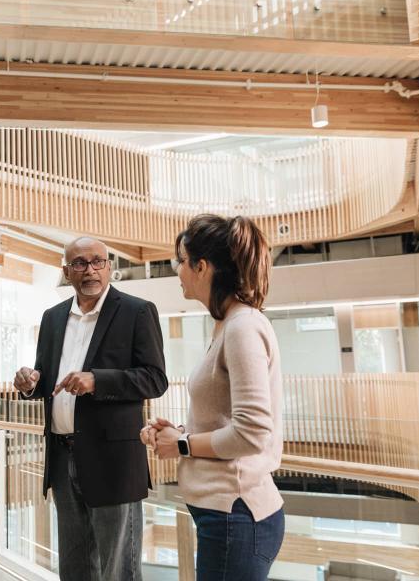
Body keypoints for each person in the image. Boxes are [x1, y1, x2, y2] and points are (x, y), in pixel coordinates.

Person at [14, 237, 167, 581]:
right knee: (75, 569)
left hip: (113, 462)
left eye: (98, 261)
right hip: (62, 457)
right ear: (66, 271)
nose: (90, 270)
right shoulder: (52, 318)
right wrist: (30, 384)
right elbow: (46, 379)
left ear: (109, 266)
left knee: (118, 570)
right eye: (80, 263)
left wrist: (97, 381)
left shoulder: (136, 311)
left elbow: (155, 379)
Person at [141, 214, 285, 581]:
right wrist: (177, 432)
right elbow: (224, 418)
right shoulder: (227, 325)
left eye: (181, 261)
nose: (177, 271)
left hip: (236, 515)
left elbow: (252, 434)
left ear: (202, 267)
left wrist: (184, 444)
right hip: (225, 516)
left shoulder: (242, 327)